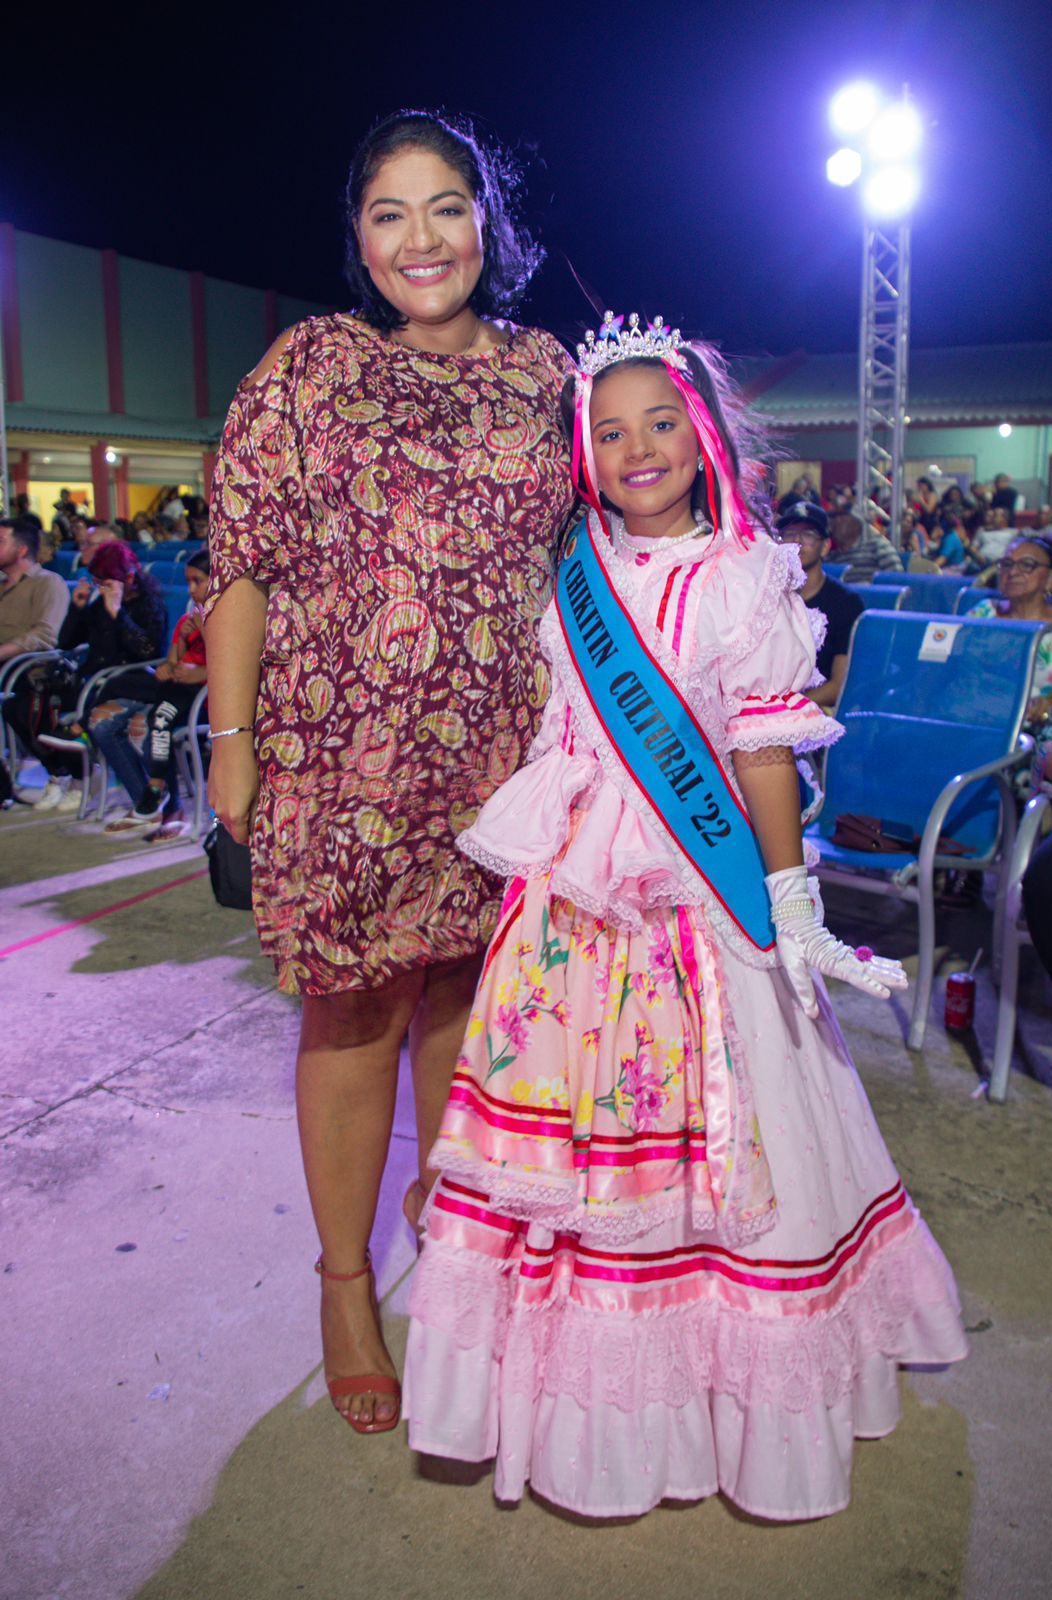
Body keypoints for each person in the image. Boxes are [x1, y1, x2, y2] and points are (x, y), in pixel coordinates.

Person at [401, 316, 967, 1521]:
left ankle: (736, 1406)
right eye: (608, 432)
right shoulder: (574, 573)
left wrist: (789, 897)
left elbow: (762, 755)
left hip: (697, 895)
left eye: (662, 422)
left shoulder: (743, 573)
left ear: (704, 434)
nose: (637, 446)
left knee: (741, 1144)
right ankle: (566, 1406)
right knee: (572, 1158)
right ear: (581, 454)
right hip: (572, 893)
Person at [204, 110, 575, 1435]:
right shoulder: (306, 369)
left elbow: (593, 557)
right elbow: (238, 564)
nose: (420, 239)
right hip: (339, 761)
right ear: (357, 239)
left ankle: (449, 1215)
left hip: (498, 764)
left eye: (444, 208)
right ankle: (344, 1282)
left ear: (487, 223)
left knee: (464, 1004)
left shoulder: (546, 375)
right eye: (387, 214)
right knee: (354, 1013)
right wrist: (232, 748)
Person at [11, 541, 166, 810]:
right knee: (22, 705)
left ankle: (139, 799)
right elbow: (67, 643)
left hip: (132, 684)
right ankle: (63, 770)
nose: (101, 589)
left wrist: (117, 612)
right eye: (98, 583)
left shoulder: (149, 606)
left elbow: (147, 651)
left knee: (101, 724)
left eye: (106, 583)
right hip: (95, 684)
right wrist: (78, 608)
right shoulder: (98, 606)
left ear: (128, 578)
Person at [92, 550, 210, 839]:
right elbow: (169, 659)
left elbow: (232, 662)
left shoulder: (226, 619)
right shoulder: (188, 619)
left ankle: (161, 798)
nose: (191, 590)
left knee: (150, 723)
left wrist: (199, 670)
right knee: (105, 722)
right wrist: (172, 663)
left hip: (205, 696)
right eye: (188, 582)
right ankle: (148, 804)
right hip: (170, 688)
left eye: (198, 581)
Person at [967, 536, 1052, 719]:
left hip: (1027, 725)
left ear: (1050, 579)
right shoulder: (983, 612)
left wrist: (1049, 701)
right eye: (1007, 563)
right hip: (969, 716)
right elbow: (947, 661)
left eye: (1027, 565)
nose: (1012, 572)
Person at [776, 500, 862, 708]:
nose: (797, 541)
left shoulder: (845, 604)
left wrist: (787, 709)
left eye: (808, 535)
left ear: (825, 546)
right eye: (789, 534)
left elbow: (840, 684)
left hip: (817, 708)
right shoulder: (770, 597)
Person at [0, 518, 70, 665]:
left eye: (1, 541)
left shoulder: (47, 583)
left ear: (22, 550)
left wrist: (3, 651)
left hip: (21, 667)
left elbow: (44, 635)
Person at [829, 509, 904, 580]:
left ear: (856, 525)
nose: (836, 522)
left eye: (842, 518)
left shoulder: (878, 546)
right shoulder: (832, 557)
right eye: (834, 519)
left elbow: (896, 578)